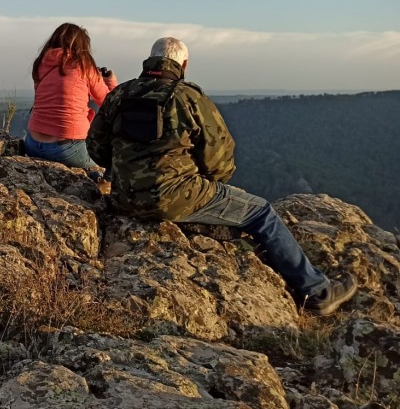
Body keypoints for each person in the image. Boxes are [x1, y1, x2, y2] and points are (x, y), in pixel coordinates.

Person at [87, 37, 358, 316]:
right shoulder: (189, 97)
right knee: (261, 213)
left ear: (150, 60)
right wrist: (203, 182)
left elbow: (96, 148)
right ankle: (317, 292)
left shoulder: (119, 94)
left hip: (122, 199)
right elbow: (219, 160)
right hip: (177, 198)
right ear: (184, 65)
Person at [24, 23, 117, 171]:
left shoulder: (40, 64)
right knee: (111, 166)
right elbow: (109, 101)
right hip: (66, 149)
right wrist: (110, 82)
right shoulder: (83, 65)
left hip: (32, 143)